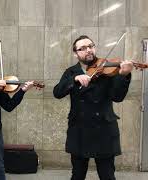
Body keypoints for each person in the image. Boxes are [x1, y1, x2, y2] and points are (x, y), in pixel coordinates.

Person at [53, 35, 133, 180]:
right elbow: (57, 92)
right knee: (77, 175)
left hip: (103, 130)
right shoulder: (71, 72)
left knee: (107, 175)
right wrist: (74, 79)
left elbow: (118, 97)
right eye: (82, 48)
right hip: (79, 131)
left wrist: (124, 75)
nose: (88, 50)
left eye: (91, 46)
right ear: (76, 53)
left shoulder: (108, 68)